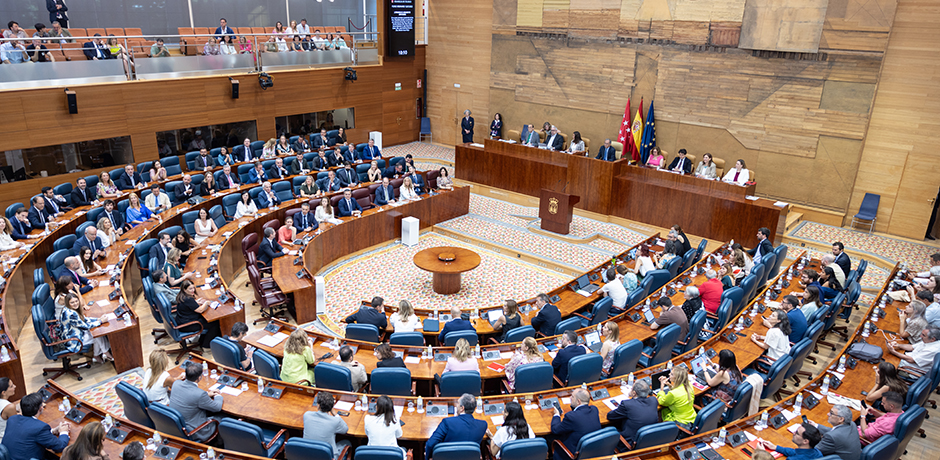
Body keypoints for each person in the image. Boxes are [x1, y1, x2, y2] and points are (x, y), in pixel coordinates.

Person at [1, 392, 70, 459]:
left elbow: (27, 432)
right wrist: (64, 432)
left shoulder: (12, 419)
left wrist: (52, 431)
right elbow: (59, 447)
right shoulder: (40, 427)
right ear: (41, 408)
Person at [168, 362, 223, 443]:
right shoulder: (200, 394)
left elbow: (189, 395)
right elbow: (217, 407)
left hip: (178, 427)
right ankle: (220, 445)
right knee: (224, 418)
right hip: (195, 431)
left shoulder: (176, 383)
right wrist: (218, 396)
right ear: (199, 378)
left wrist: (207, 394)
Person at [425, 394, 488, 459]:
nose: (456, 406)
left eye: (458, 403)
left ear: (462, 408)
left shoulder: (447, 422)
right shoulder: (483, 425)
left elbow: (430, 444)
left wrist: (428, 458)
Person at [58, 292, 111, 362]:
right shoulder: (71, 314)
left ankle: (98, 355)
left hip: (75, 333)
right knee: (97, 335)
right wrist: (100, 322)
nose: (75, 303)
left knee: (97, 334)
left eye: (76, 301)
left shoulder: (67, 309)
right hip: (73, 341)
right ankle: (106, 353)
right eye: (72, 302)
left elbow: (83, 319)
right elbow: (85, 326)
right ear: (68, 303)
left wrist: (97, 319)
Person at [550, 388, 601, 460]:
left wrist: (556, 415)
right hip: (591, 450)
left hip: (573, 453)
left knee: (550, 438)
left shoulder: (571, 417)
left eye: (572, 396)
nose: (570, 398)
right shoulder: (594, 409)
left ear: (578, 401)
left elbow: (555, 429)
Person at [605, 379, 658, 445]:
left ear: (634, 393)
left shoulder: (627, 404)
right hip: (648, 439)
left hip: (630, 442)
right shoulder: (653, 400)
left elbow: (610, 416)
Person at [174, 280, 222, 348]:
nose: (193, 290)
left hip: (182, 321)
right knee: (214, 323)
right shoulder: (188, 299)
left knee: (208, 320)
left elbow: (188, 305)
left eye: (193, 288)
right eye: (190, 288)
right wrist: (206, 303)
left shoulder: (182, 296)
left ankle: (202, 340)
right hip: (188, 325)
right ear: (184, 290)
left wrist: (196, 302)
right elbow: (200, 310)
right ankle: (206, 345)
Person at [302, 392, 350, 459]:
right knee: (347, 442)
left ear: (318, 405)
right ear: (331, 407)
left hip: (307, 455)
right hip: (328, 457)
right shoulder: (335, 421)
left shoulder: (307, 415)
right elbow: (345, 429)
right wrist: (335, 414)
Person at [758, 423, 823, 460]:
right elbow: (795, 452)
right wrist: (776, 448)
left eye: (797, 433)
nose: (794, 433)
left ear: (805, 441)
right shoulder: (818, 453)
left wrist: (762, 453)